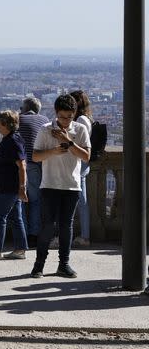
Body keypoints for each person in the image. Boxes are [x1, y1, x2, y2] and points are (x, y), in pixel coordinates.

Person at [31, 94, 91, 279]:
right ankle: (39, 264)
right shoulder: (45, 130)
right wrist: (54, 151)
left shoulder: (80, 129)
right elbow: (35, 157)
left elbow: (86, 156)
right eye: (63, 117)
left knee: (66, 226)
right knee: (48, 225)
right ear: (56, 114)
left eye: (69, 117)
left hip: (71, 185)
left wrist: (68, 142)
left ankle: (63, 264)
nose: (66, 121)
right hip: (49, 184)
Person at [0, 110, 29, 260]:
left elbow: (22, 165)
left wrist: (22, 188)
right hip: (11, 185)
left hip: (10, 186)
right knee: (16, 217)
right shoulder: (13, 138)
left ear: (5, 124)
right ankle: (20, 249)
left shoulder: (12, 141)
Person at [18, 96, 50, 248]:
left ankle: (22, 234)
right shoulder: (45, 120)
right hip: (38, 163)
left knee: (21, 200)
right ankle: (34, 234)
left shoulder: (18, 119)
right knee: (36, 200)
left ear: (25, 109)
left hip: (22, 163)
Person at [69, 90, 93, 247]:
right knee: (81, 200)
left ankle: (85, 236)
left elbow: (81, 142)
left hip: (80, 161)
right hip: (80, 161)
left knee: (81, 201)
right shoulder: (85, 118)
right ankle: (84, 235)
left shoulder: (82, 120)